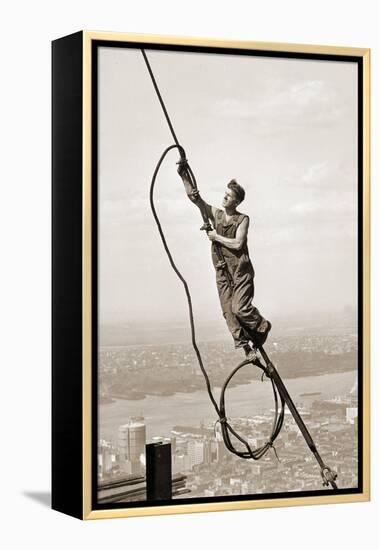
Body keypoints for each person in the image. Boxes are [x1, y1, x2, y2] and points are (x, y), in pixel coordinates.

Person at [178, 160, 271, 361]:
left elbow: (238, 244)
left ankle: (262, 326)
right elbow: (196, 200)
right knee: (229, 312)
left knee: (240, 309)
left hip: (240, 271)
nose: (224, 197)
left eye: (228, 196)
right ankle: (246, 349)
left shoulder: (242, 219)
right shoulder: (217, 215)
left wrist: (215, 237)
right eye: (225, 194)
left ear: (236, 202)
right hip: (222, 270)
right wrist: (183, 174)